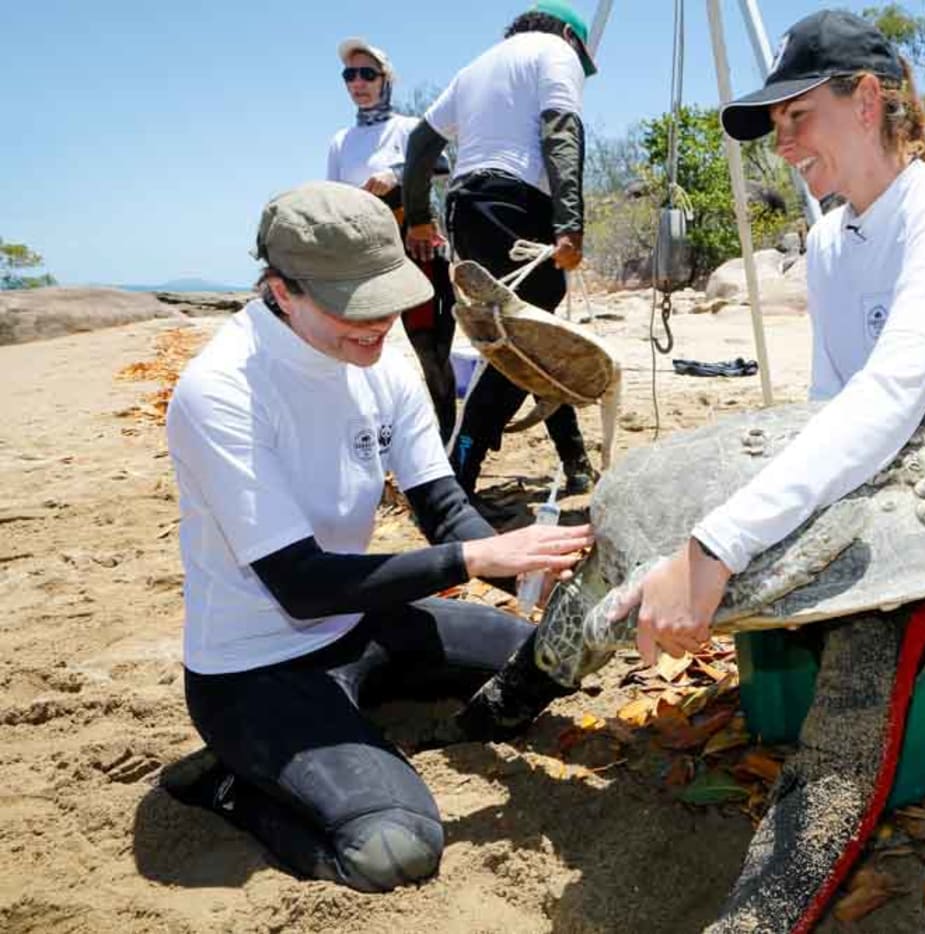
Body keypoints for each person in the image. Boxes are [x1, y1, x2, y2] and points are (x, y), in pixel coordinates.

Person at [157, 182, 591, 893]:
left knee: (548, 660)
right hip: (255, 666)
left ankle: (354, 726)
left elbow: (443, 506)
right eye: (350, 306)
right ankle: (233, 786)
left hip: (359, 624)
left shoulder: (381, 355)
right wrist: (476, 558)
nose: (377, 324)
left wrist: (549, 578)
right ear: (280, 290)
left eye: (386, 299)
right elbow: (301, 587)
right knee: (394, 851)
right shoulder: (221, 390)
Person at [607, 10, 925, 663]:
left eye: (797, 115)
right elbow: (829, 403)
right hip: (893, 486)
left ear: (866, 100)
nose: (781, 143)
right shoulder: (830, 241)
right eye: (776, 124)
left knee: (866, 642)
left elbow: (890, 395)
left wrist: (716, 548)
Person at [402, 0, 599, 505]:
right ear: (572, 39)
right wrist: (570, 226)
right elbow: (562, 131)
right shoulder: (557, 51)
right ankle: (459, 470)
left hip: (465, 208)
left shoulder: (476, 68)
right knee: (526, 340)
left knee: (525, 329)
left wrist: (420, 216)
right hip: (514, 204)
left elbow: (420, 145)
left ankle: (574, 460)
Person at [327, 38, 459, 443]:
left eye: (368, 74)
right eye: (351, 75)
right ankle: (364, 432)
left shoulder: (406, 128)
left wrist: (397, 173)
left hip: (418, 249)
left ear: (386, 81)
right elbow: (334, 200)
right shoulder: (340, 142)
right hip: (365, 258)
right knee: (353, 346)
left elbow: (442, 162)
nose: (359, 82)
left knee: (431, 349)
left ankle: (446, 434)